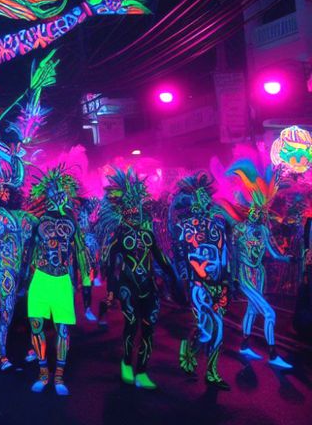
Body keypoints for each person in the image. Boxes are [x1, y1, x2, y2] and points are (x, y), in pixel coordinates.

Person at [100, 167, 183, 390]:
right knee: (131, 324)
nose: (136, 214)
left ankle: (142, 371)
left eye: (138, 210)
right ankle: (127, 363)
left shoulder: (147, 235)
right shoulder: (119, 235)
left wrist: (175, 279)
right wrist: (111, 289)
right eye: (132, 210)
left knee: (148, 329)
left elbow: (162, 258)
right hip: (128, 287)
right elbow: (112, 265)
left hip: (149, 288)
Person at [26, 167, 90, 395]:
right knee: (36, 325)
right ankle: (43, 373)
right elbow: (30, 250)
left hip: (62, 280)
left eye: (61, 192)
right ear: (47, 195)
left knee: (63, 330)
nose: (57, 196)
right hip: (41, 278)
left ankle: (59, 376)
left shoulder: (71, 222)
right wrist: (25, 276)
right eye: (53, 193)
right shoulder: (39, 221)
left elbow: (81, 251)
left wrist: (86, 279)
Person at [224, 160, 293, 368]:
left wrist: (287, 258)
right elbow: (233, 255)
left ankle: (244, 345)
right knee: (269, 313)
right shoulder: (240, 229)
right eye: (254, 209)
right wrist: (232, 279)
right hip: (245, 274)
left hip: (259, 274)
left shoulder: (263, 230)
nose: (256, 213)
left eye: (260, 211)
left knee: (252, 311)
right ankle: (273, 354)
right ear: (249, 210)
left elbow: (272, 252)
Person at [171, 173, 231, 389]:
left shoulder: (218, 228)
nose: (203, 202)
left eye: (206, 197)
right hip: (197, 287)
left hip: (216, 286)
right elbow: (178, 257)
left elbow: (225, 259)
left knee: (219, 330)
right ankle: (188, 347)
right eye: (199, 197)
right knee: (204, 328)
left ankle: (212, 372)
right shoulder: (184, 228)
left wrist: (225, 288)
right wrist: (184, 282)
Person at [0, 188, 36, 371]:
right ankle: (3, 356)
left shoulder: (1, 216)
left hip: (16, 270)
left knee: (25, 312)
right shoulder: (26, 219)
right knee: (9, 313)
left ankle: (29, 350)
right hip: (11, 270)